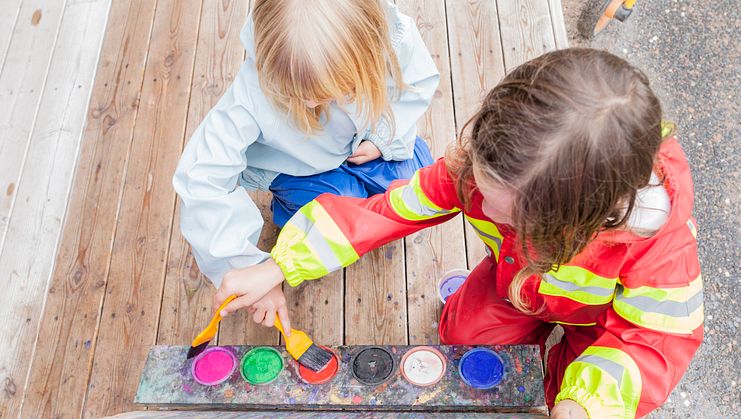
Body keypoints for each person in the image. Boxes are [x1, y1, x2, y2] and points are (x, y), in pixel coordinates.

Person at [215, 48, 704, 418]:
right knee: (463, 343)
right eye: (480, 185)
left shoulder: (660, 253)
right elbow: (387, 211)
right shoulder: (479, 171)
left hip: (602, 327)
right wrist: (279, 263)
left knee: (560, 394)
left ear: (573, 220)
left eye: (504, 213)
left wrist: (585, 404)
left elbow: (653, 343)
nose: (479, 205)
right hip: (514, 286)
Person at [173, 0, 439, 331]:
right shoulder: (251, 94)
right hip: (300, 168)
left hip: (366, 142)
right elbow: (201, 179)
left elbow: (416, 80)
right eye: (299, 95)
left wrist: (384, 138)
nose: (312, 104)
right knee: (338, 208)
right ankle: (292, 211)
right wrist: (249, 266)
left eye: (336, 91)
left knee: (415, 187)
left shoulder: (390, 36)